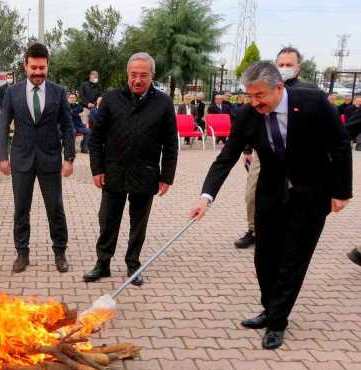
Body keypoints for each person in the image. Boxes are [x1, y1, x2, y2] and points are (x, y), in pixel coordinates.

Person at [189, 62, 352, 350]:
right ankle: (269, 308)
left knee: (292, 260)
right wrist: (206, 197)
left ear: (279, 88)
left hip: (311, 194)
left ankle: (277, 322)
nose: (254, 102)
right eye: (249, 96)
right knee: (264, 259)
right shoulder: (248, 115)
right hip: (271, 194)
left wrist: (341, 192)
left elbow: (339, 144)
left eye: (259, 96)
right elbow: (226, 157)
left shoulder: (312, 102)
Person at [83, 52, 178, 286]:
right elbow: (96, 139)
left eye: (143, 75)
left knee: (139, 224)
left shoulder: (163, 102)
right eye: (133, 75)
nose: (137, 80)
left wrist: (167, 176)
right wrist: (97, 169)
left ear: (152, 75)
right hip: (113, 171)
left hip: (146, 173)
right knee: (107, 220)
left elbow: (171, 143)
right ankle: (102, 263)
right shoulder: (112, 99)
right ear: (127, 74)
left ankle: (133, 264)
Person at [0, 42, 75, 274]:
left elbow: (68, 126)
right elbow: (2, 126)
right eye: (34, 68)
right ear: (25, 66)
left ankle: (60, 253)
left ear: (48, 66)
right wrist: (2, 156)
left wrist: (68, 158)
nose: (38, 72)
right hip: (21, 159)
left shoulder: (58, 92)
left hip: (50, 159)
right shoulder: (12, 93)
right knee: (21, 209)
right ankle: (22, 253)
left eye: (42, 68)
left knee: (56, 209)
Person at [233, 46, 318, 249]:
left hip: (298, 155)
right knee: (253, 191)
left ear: (298, 66)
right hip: (265, 152)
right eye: (281, 64)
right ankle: (254, 229)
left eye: (289, 64)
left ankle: (291, 229)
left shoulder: (310, 92)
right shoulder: (262, 87)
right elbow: (250, 121)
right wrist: (246, 149)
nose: (285, 68)